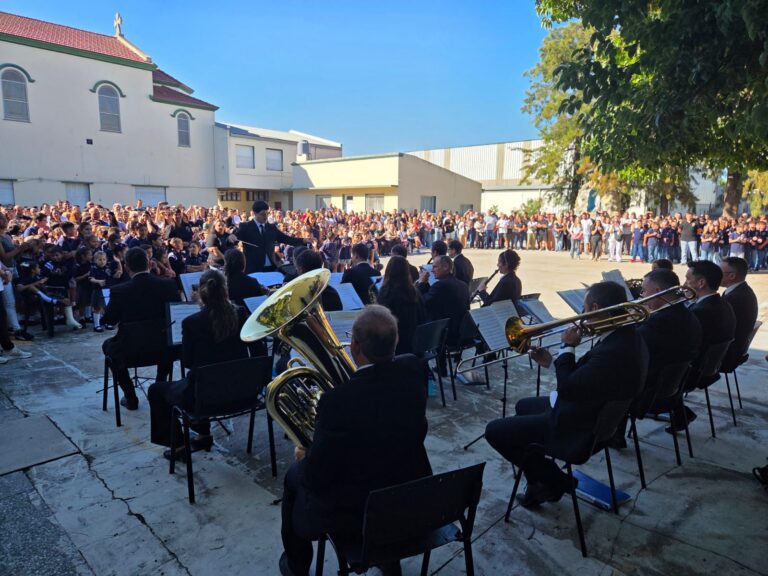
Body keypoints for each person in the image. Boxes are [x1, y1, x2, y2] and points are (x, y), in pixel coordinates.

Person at [279, 305, 430, 576]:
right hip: (413, 492)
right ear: (395, 340)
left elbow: (316, 478)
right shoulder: (415, 371)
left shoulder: (337, 402)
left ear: (355, 346)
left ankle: (296, 564)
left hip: (358, 513)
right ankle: (389, 561)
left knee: (294, 476)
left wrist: (307, 455)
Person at [485, 281, 648, 508]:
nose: (580, 314)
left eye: (584, 308)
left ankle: (555, 481)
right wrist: (552, 362)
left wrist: (567, 348)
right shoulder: (628, 336)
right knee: (523, 406)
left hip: (577, 427)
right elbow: (586, 378)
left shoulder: (612, 350)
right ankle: (537, 482)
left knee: (495, 431)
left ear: (594, 308)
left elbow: (569, 388)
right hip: (593, 413)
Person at [147, 270, 254, 458]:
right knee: (204, 378)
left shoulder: (191, 322)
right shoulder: (241, 313)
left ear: (202, 292)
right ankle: (203, 435)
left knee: (157, 390)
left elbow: (188, 363)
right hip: (242, 392)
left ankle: (179, 446)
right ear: (225, 290)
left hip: (206, 398)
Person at [611, 269, 702, 447]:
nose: (642, 295)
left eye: (644, 291)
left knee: (606, 372)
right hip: (669, 388)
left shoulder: (661, 321)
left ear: (658, 291)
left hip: (648, 392)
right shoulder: (686, 314)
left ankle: (610, 433)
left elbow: (629, 347)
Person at [102, 247, 180, 410]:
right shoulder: (168, 285)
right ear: (149, 263)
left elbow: (109, 320)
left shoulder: (119, 291)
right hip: (163, 349)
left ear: (127, 267)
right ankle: (160, 386)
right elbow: (175, 314)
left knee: (109, 347)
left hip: (130, 350)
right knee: (166, 339)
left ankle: (130, 397)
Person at [670, 260, 737, 430]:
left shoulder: (702, 311)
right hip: (706, 368)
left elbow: (680, 344)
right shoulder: (721, 303)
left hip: (691, 374)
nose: (684, 284)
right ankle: (681, 414)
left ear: (701, 283)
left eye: (687, 279)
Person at [231, 201, 306, 273]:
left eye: (267, 214)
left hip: (271, 268)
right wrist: (231, 238)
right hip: (253, 269)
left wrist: (303, 240)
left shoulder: (271, 227)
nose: (266, 217)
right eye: (263, 214)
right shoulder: (245, 227)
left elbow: (286, 239)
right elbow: (235, 238)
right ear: (255, 213)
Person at [377, 256, 426, 355]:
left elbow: (382, 320)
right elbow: (423, 317)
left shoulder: (386, 292)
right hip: (415, 344)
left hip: (396, 345)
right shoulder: (415, 292)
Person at [416, 255, 469, 347]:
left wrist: (421, 283)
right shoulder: (463, 285)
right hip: (460, 331)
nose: (432, 270)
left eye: (435, 267)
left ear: (445, 267)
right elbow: (433, 296)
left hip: (443, 334)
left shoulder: (440, 285)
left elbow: (422, 302)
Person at [719, 256, 758, 370]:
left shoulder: (735, 298)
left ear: (732, 276)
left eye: (719, 272)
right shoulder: (742, 291)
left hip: (727, 355)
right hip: (735, 350)